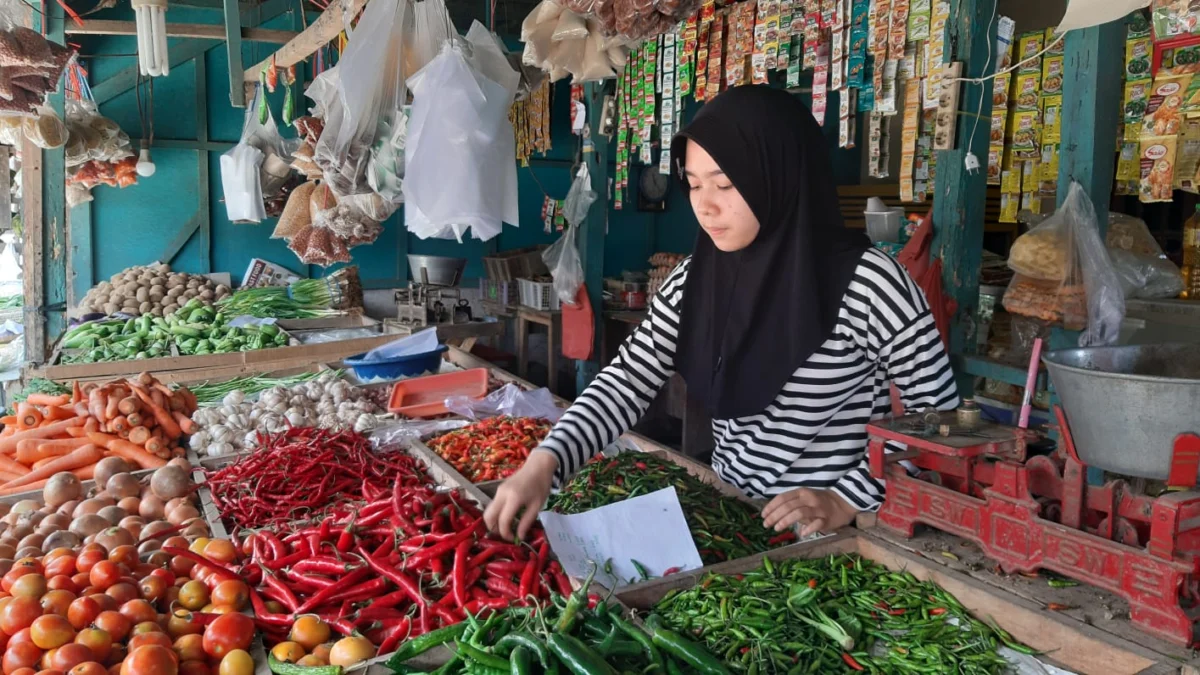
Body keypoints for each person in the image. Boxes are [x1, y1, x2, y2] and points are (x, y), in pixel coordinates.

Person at [484, 85, 959, 541]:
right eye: (693, 185)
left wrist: (847, 499)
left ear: (780, 177)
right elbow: (628, 380)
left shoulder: (871, 285)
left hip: (836, 536)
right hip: (734, 515)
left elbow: (939, 417)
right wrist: (546, 461)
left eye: (726, 184)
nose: (705, 207)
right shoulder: (697, 279)